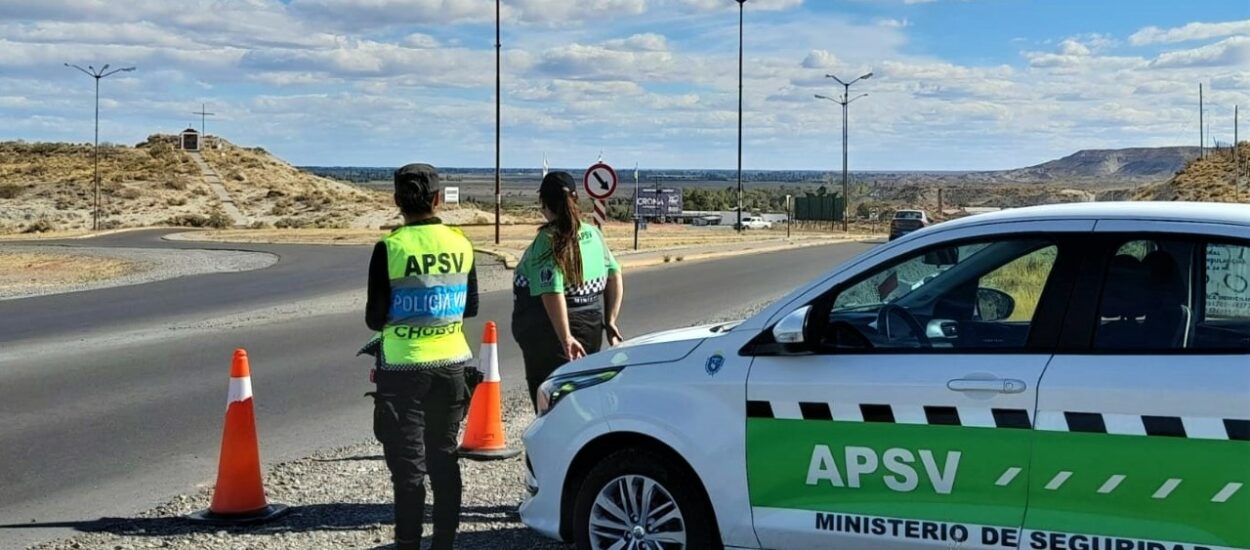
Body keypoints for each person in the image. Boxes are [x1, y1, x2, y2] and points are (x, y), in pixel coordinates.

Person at [362, 163, 477, 550]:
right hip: (451, 366)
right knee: (444, 459)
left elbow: (374, 318)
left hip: (402, 368)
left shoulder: (390, 248)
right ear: (437, 198)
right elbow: (471, 306)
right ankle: (445, 542)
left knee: (409, 469)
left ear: (397, 202)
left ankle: (408, 542)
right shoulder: (461, 243)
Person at [512, 171, 624, 408]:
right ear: (575, 198)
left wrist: (566, 338)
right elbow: (614, 274)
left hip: (548, 333)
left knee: (551, 402)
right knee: (581, 397)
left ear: (543, 203)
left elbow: (552, 291)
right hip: (591, 325)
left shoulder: (548, 239)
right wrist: (611, 320)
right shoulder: (593, 234)